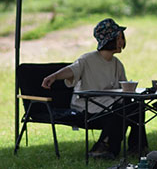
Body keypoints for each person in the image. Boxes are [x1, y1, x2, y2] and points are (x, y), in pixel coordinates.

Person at [41, 18, 146, 158]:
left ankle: (137, 147)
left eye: (122, 38)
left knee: (137, 107)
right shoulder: (88, 59)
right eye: (119, 38)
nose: (122, 41)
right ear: (110, 39)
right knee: (119, 110)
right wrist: (54, 76)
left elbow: (124, 90)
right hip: (88, 106)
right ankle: (103, 147)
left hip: (110, 105)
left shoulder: (117, 64)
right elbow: (71, 70)